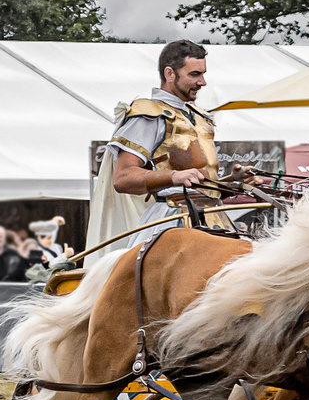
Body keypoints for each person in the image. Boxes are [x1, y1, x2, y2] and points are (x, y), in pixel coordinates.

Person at [106, 39, 250, 247]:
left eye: (203, 74)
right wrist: (174, 176)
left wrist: (234, 182)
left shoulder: (200, 117)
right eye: (194, 74)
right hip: (171, 222)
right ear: (169, 74)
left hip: (214, 219)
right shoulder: (149, 115)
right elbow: (123, 178)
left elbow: (203, 189)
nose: (202, 82)